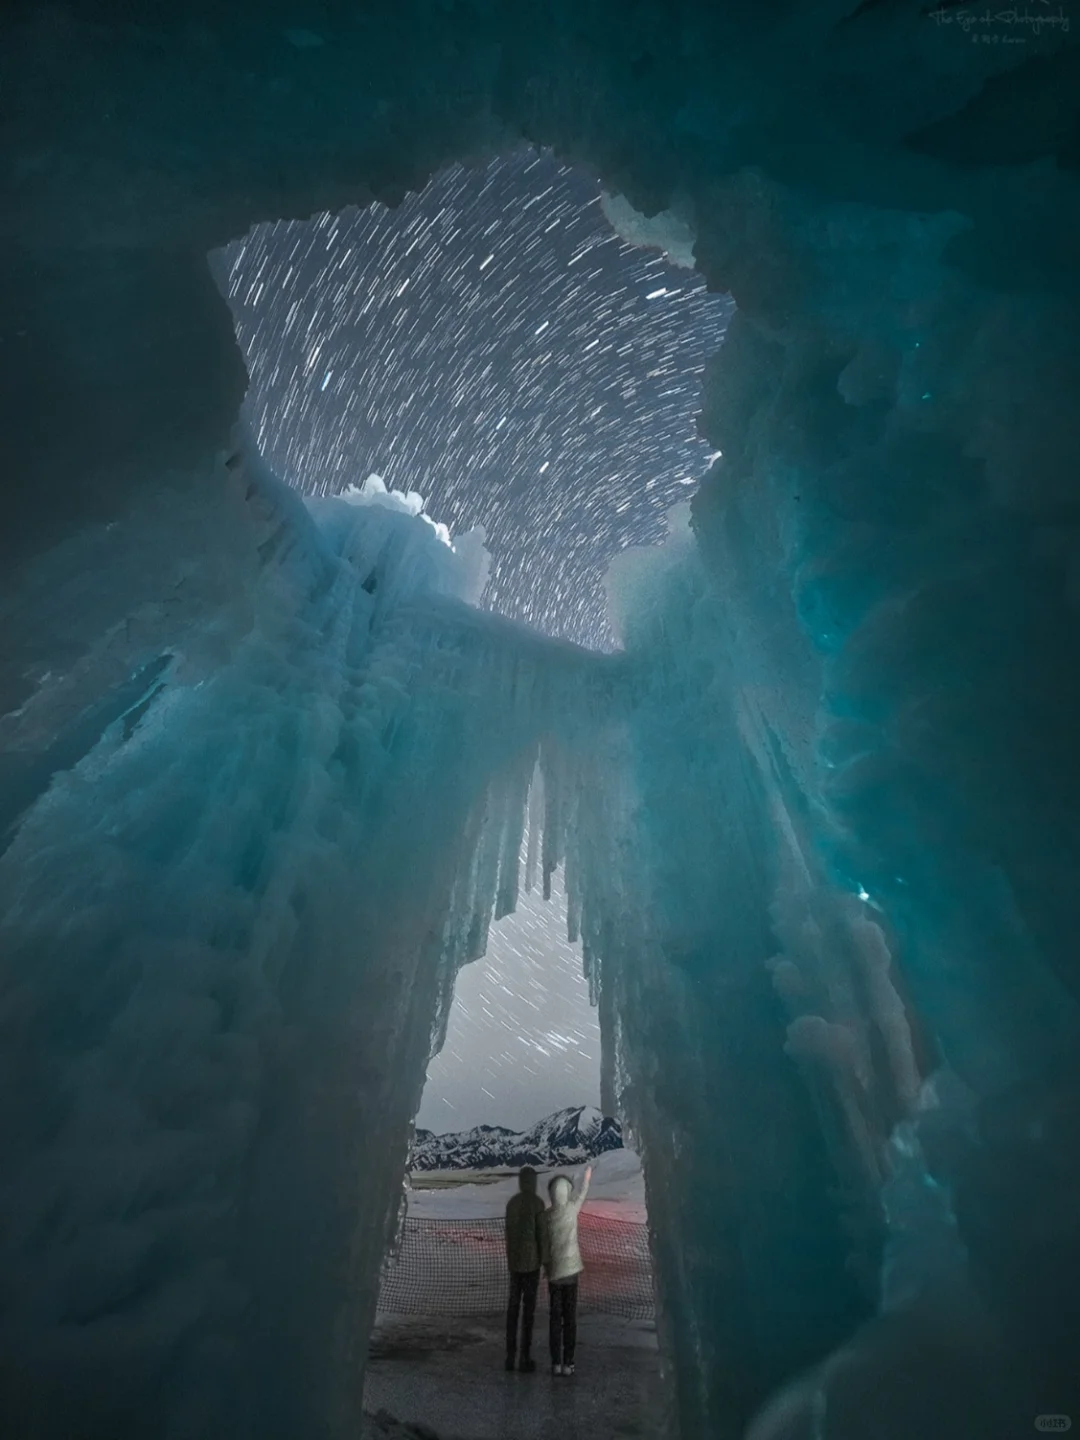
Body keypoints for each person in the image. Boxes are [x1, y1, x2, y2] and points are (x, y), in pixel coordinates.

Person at [541, 1164, 592, 1376]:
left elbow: (543, 1245)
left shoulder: (545, 1217)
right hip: (571, 1275)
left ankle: (555, 1362)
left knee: (555, 1319)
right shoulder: (572, 1211)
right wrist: (587, 1178)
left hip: (554, 1275)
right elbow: (582, 1194)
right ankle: (569, 1362)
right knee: (569, 1319)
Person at [504, 1165, 545, 1372]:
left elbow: (508, 1234)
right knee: (527, 1313)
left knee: (513, 1310)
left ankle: (510, 1357)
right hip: (531, 1266)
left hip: (515, 1265)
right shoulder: (537, 1204)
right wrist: (545, 1260)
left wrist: (511, 1257)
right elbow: (542, 1235)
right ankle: (525, 1358)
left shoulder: (512, 1204)